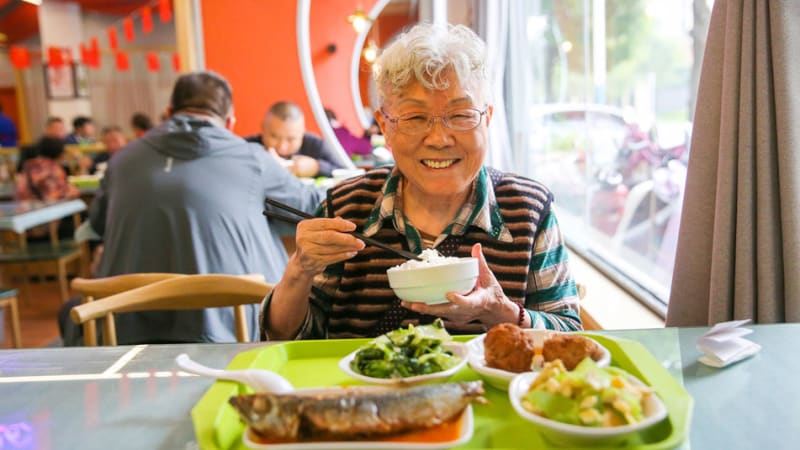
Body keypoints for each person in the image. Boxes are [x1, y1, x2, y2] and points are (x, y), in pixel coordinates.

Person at [261, 23, 582, 341]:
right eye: (415, 118)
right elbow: (283, 338)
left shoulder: (528, 209)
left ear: (488, 119)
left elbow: (571, 337)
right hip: (361, 391)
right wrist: (300, 269)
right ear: (384, 127)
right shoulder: (346, 208)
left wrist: (501, 313)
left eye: (461, 115)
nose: (440, 139)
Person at [86, 71, 325, 344]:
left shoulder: (121, 160)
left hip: (126, 333)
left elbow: (98, 224)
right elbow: (312, 208)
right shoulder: (252, 159)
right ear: (230, 122)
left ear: (168, 112)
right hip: (232, 332)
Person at [245, 101, 348, 178]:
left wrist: (317, 168)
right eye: (274, 136)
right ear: (263, 128)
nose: (282, 147)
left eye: (291, 139)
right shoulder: (247, 147)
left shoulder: (314, 145)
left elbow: (348, 175)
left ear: (302, 133)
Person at [15, 137, 80, 239]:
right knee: (84, 218)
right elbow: (56, 197)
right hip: (49, 228)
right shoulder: (54, 169)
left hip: (25, 228)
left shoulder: (25, 167)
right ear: (60, 154)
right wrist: (72, 190)